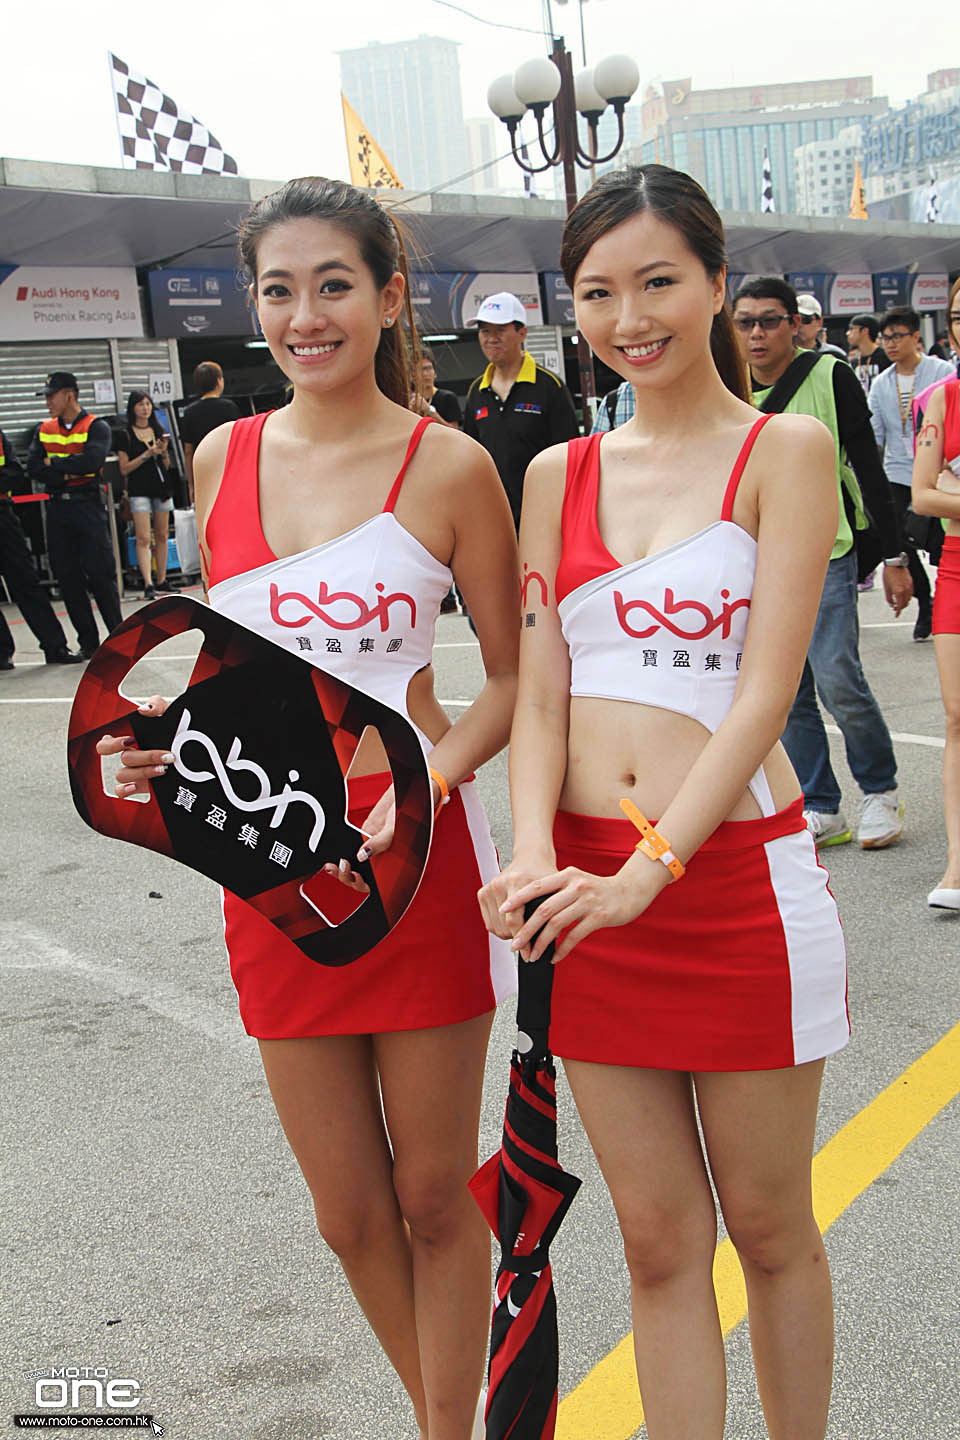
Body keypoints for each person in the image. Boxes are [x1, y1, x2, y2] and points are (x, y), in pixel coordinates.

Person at [97, 176, 519, 1440]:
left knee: (436, 1198)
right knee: (347, 1213)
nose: (303, 315)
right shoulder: (222, 452)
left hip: (417, 865)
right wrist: (155, 743)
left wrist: (427, 789)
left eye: (333, 285)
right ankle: (461, 1415)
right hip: (269, 866)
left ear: (391, 296)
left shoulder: (448, 466)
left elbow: (513, 683)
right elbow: (244, 672)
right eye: (277, 290)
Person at [478, 163, 848, 1440]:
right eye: (596, 291)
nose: (629, 316)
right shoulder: (554, 477)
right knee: (655, 1246)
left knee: (772, 1230)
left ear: (712, 278)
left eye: (657, 282)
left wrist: (652, 870)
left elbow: (765, 693)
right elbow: (536, 693)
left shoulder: (780, 448)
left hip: (729, 879)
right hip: (584, 889)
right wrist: (532, 852)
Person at [732, 277, 911, 849]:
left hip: (824, 552)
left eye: (768, 320)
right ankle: (821, 803)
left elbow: (865, 464)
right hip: (751, 561)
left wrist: (895, 553)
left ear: (795, 324)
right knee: (785, 690)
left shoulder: (829, 375)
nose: (756, 333)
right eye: (745, 323)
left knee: (838, 678)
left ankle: (880, 789)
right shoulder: (726, 384)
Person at [912, 276, 960, 909]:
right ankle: (956, 865)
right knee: (957, 718)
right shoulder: (940, 399)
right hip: (955, 567)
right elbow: (924, 494)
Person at [868, 308, 954, 642]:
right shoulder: (881, 382)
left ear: (916, 337)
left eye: (897, 336)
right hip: (897, 473)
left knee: (941, 543)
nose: (890, 344)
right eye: (885, 338)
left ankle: (946, 603)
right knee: (897, 538)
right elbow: (875, 435)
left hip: (939, 476)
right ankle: (926, 602)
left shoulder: (941, 372)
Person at [462, 291, 579, 531]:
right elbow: (472, 458)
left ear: (522, 332)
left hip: (544, 516)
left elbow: (570, 457)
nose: (491, 338)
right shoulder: (476, 391)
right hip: (492, 518)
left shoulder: (549, 387)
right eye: (485, 331)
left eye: (500, 330)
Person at [27, 371, 123, 659]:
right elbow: (33, 468)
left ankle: (119, 639)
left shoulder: (97, 426)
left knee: (100, 574)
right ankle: (89, 643)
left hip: (88, 507)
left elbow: (92, 462)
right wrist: (69, 469)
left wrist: (53, 464)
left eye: (51, 396)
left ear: (69, 395)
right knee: (68, 577)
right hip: (58, 509)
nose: (47, 403)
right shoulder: (43, 429)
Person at [0, 427, 81, 668]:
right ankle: (2, 652)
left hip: (2, 515)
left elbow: (15, 475)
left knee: (26, 581)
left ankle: (55, 646)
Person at [117, 392, 177, 600]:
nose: (145, 408)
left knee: (162, 534)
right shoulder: (125, 434)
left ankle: (162, 578)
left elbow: (167, 465)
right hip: (138, 489)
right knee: (143, 537)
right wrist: (146, 455)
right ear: (133, 408)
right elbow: (124, 468)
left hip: (160, 488)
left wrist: (163, 452)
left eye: (148, 404)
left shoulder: (159, 430)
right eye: (141, 404)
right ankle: (148, 582)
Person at [180, 362, 240, 503]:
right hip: (227, 469)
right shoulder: (229, 407)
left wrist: (191, 484)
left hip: (203, 471)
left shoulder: (189, 412)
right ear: (219, 381)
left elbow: (188, 451)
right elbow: (240, 443)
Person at [846, 313, 890, 393]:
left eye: (852, 329)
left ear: (864, 331)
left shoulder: (886, 357)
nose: (848, 333)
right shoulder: (854, 362)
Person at [414, 354, 461, 427]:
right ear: (412, 375)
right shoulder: (410, 401)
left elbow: (455, 430)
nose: (425, 374)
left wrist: (431, 412)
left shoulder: (448, 398)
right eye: (420, 369)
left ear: (435, 373)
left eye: (429, 368)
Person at [795, 294, 848, 360]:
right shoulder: (780, 356)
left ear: (819, 323)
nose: (799, 324)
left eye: (805, 319)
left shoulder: (835, 355)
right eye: (795, 319)